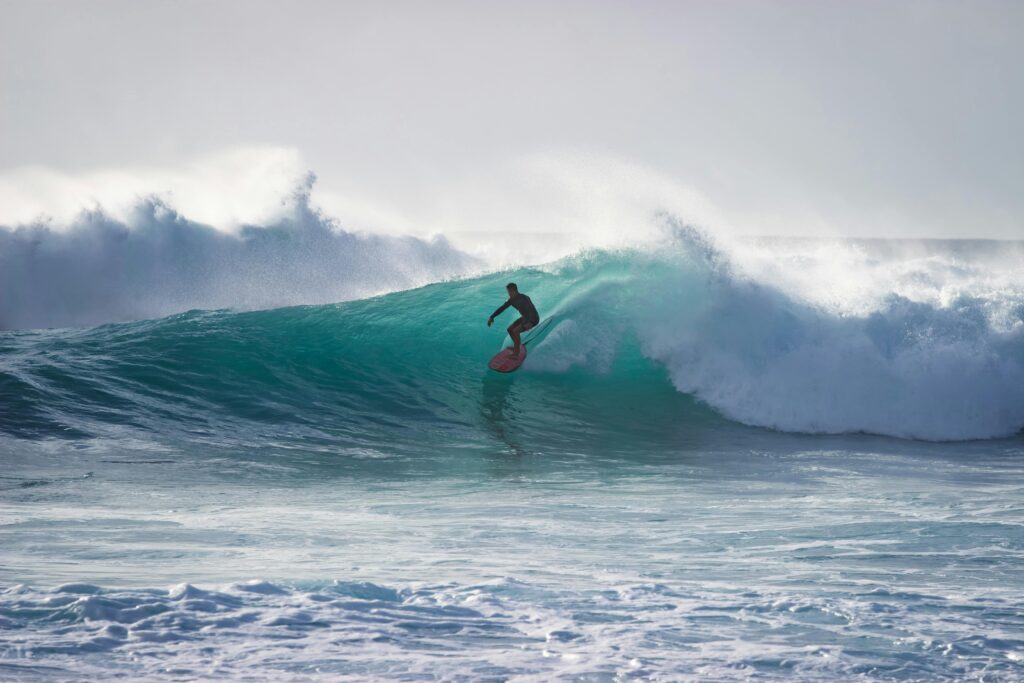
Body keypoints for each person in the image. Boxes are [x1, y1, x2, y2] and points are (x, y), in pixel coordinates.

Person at [487, 282, 540, 358]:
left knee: (516, 331)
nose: (509, 294)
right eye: (508, 292)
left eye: (509, 292)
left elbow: (532, 310)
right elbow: (502, 308)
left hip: (533, 319)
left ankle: (516, 354)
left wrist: (530, 322)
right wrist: (492, 317)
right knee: (509, 329)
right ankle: (516, 346)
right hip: (525, 318)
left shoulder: (524, 298)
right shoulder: (511, 300)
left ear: (514, 291)